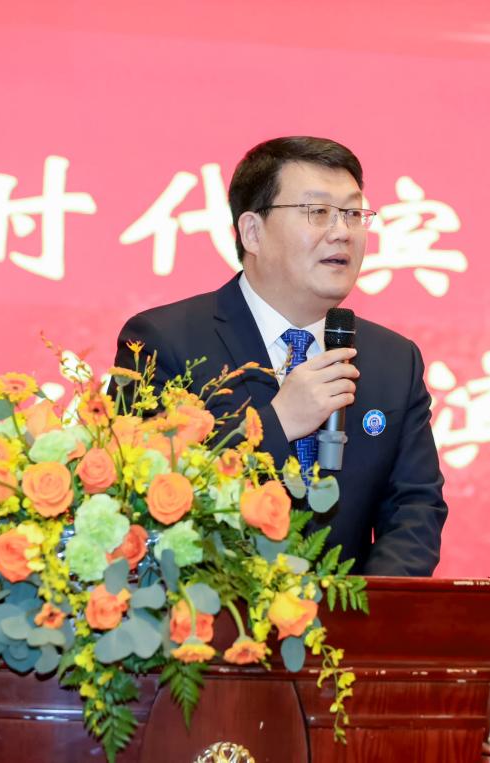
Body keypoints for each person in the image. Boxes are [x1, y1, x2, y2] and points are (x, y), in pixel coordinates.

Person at [110, 136, 446, 576]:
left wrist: (368, 607)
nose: (342, 232)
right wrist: (277, 422)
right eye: (318, 212)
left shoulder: (394, 361)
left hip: (352, 616)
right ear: (252, 231)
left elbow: (414, 509)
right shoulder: (162, 341)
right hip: (213, 610)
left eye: (352, 213)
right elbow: (138, 492)